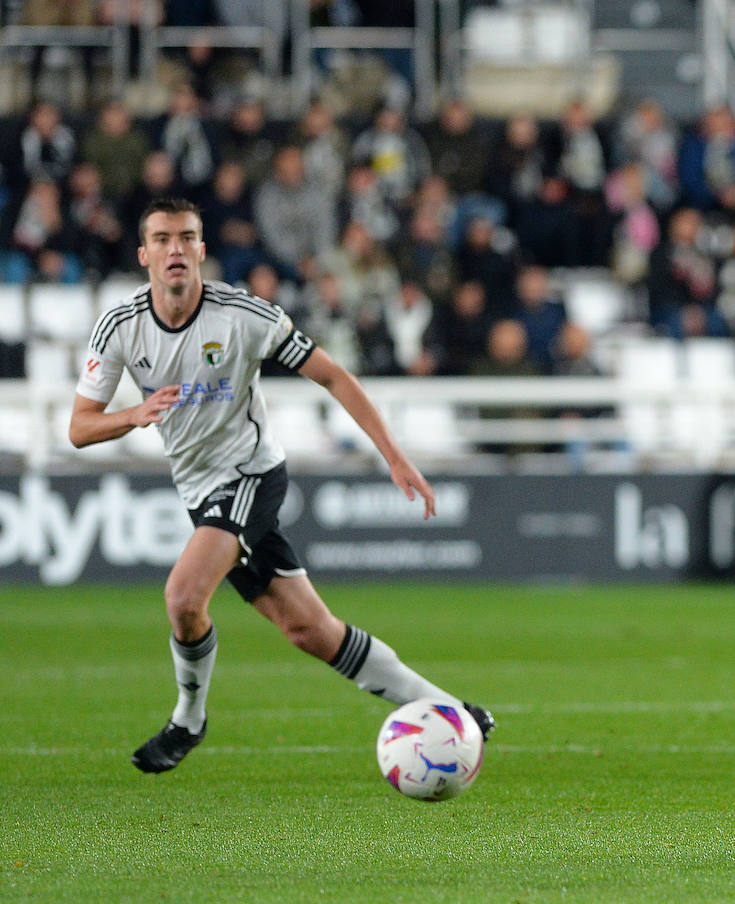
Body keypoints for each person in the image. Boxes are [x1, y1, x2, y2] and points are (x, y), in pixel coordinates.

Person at [68, 197, 495, 775]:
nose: (176, 250)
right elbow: (79, 428)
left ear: (201, 249)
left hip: (250, 475)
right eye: (163, 239)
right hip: (198, 490)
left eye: (187, 238)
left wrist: (394, 457)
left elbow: (333, 375)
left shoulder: (243, 315)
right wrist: (132, 415)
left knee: (183, 596)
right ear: (144, 254)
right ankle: (450, 709)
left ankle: (188, 720)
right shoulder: (120, 328)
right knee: (310, 630)